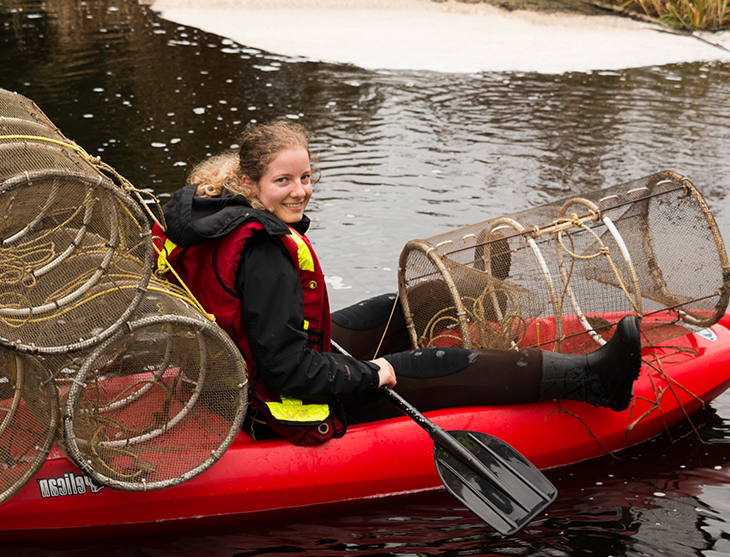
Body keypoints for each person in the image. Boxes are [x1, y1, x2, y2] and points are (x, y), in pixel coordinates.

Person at [154, 121, 642, 446]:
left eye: (305, 177)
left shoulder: (211, 218)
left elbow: (263, 328)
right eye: (284, 181)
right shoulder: (262, 251)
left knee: (395, 307)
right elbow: (288, 373)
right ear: (249, 181)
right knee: (435, 364)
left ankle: (482, 297)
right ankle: (596, 380)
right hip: (277, 406)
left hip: (236, 368)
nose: (300, 191)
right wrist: (374, 374)